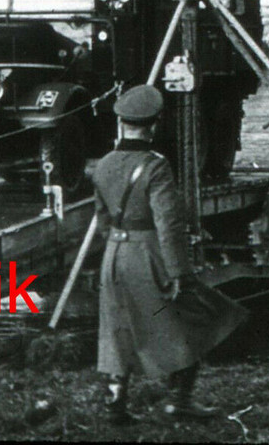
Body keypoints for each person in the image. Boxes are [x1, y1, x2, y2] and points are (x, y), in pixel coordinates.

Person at [93, 85, 247, 424]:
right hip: (149, 255)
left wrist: (119, 243)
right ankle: (179, 401)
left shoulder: (103, 165)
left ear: (122, 123)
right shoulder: (155, 167)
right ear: (154, 125)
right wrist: (180, 273)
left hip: (114, 256)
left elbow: (102, 219)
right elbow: (168, 224)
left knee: (118, 328)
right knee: (195, 317)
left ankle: (115, 406)